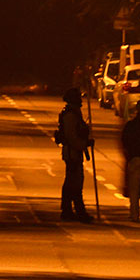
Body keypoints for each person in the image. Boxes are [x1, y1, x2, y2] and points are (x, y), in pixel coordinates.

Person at [59, 87, 93, 223]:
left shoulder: (75, 114)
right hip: (71, 153)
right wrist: (83, 144)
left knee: (74, 181)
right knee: (74, 182)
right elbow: (71, 137)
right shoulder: (70, 116)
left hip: (75, 152)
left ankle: (70, 209)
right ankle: (74, 210)